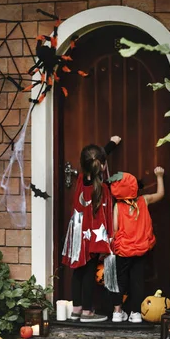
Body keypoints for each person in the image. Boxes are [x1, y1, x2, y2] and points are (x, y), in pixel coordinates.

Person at [62, 136, 121, 322]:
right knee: (89, 271)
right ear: (102, 166)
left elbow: (94, 159)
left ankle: (77, 309)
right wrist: (111, 144)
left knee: (77, 270)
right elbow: (97, 160)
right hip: (93, 235)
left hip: (78, 233)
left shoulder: (80, 179)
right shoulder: (103, 187)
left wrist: (109, 145)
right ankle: (88, 312)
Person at [110, 167, 165, 323]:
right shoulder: (144, 200)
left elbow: (115, 228)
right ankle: (135, 313)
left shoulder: (118, 206)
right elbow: (160, 194)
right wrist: (159, 176)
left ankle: (117, 312)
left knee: (120, 280)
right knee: (137, 281)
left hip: (123, 250)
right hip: (141, 249)